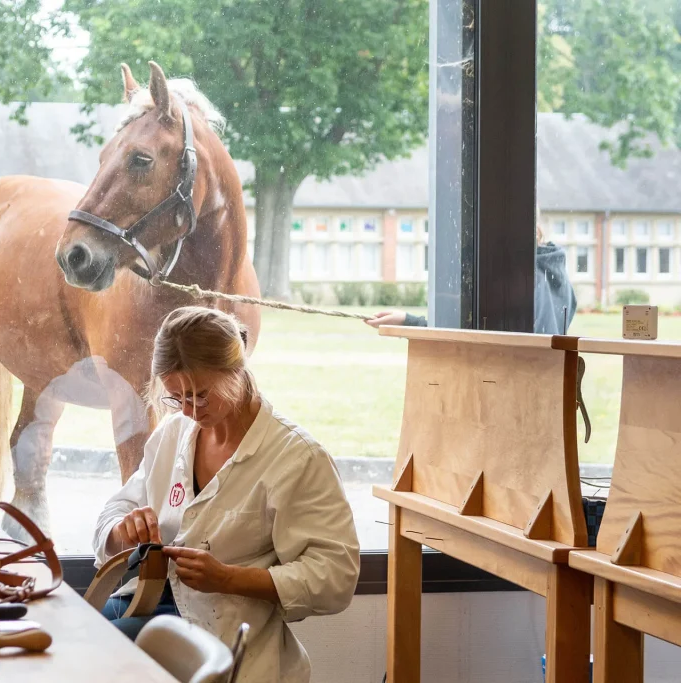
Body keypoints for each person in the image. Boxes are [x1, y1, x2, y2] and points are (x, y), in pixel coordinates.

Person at [93, 306, 360, 683]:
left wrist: (228, 579)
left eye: (201, 395)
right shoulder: (174, 433)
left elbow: (336, 577)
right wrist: (124, 529)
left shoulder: (296, 458)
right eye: (175, 397)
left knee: (95, 656)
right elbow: (116, 509)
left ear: (236, 372)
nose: (188, 410)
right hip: (149, 607)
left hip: (223, 634)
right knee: (74, 646)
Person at [365, 222, 578, 334]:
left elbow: (476, 336)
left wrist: (409, 321)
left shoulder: (518, 281)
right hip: (549, 396)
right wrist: (406, 321)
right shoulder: (556, 277)